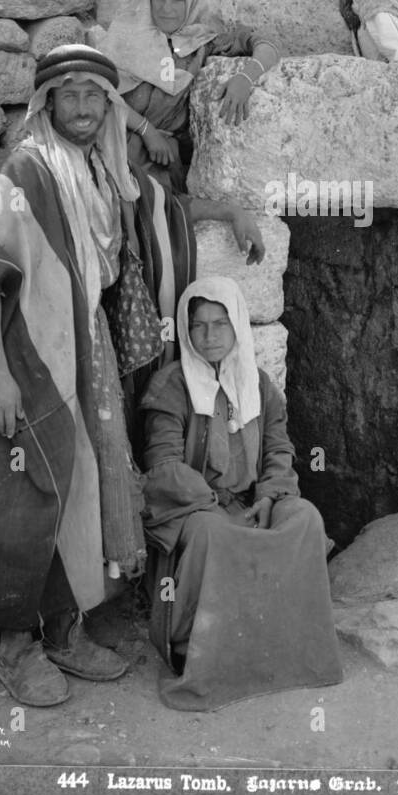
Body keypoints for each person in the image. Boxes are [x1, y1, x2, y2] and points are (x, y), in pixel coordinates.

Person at [0, 45, 266, 707]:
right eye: (70, 94)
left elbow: (162, 209)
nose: (83, 108)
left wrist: (227, 214)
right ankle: (14, 644)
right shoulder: (19, 174)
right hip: (26, 360)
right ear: (47, 102)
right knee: (23, 496)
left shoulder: (102, 172)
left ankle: (62, 627)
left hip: (89, 358)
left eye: (94, 95)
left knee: (80, 491)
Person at [139, 276, 343, 711]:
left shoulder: (258, 383)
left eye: (220, 324)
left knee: (304, 517)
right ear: (186, 331)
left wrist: (271, 496)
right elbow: (163, 465)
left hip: (252, 502)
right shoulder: (170, 386)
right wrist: (211, 503)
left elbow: (279, 447)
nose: (210, 336)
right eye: (198, 326)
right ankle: (202, 651)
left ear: (237, 328)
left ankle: (284, 646)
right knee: (214, 533)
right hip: (197, 508)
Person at [97, 0, 280, 193]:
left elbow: (267, 44)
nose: (167, 9)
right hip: (109, 146)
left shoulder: (201, 42)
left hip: (162, 162)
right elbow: (99, 90)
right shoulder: (124, 36)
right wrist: (146, 130)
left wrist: (245, 78)